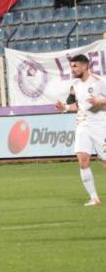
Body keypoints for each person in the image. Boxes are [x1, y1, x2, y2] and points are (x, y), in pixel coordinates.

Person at [55, 53, 106, 206]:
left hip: (101, 126)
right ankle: (94, 198)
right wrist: (64, 107)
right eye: (71, 66)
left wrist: (100, 101)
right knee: (83, 160)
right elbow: (79, 105)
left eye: (75, 66)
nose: (72, 69)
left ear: (85, 66)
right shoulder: (75, 85)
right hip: (83, 126)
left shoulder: (99, 82)